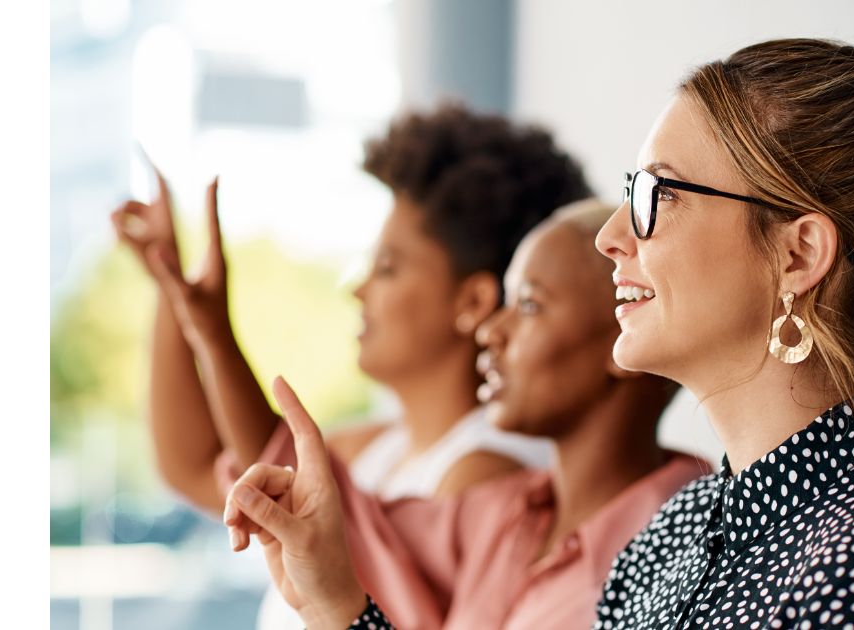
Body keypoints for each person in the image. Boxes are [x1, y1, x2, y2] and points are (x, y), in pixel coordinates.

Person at [222, 38, 854, 629]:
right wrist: (333, 599)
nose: (608, 236)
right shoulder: (674, 534)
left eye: (657, 194)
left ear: (798, 252)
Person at [110, 104, 590, 629]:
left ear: (472, 303)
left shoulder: (487, 476)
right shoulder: (373, 450)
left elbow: (354, 568)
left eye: (387, 267)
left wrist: (212, 333)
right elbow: (193, 466)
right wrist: (170, 288)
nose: (358, 289)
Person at [223, 201, 709, 630]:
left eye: (530, 305)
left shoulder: (692, 552)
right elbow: (338, 521)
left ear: (621, 336)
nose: (490, 332)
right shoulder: (499, 515)